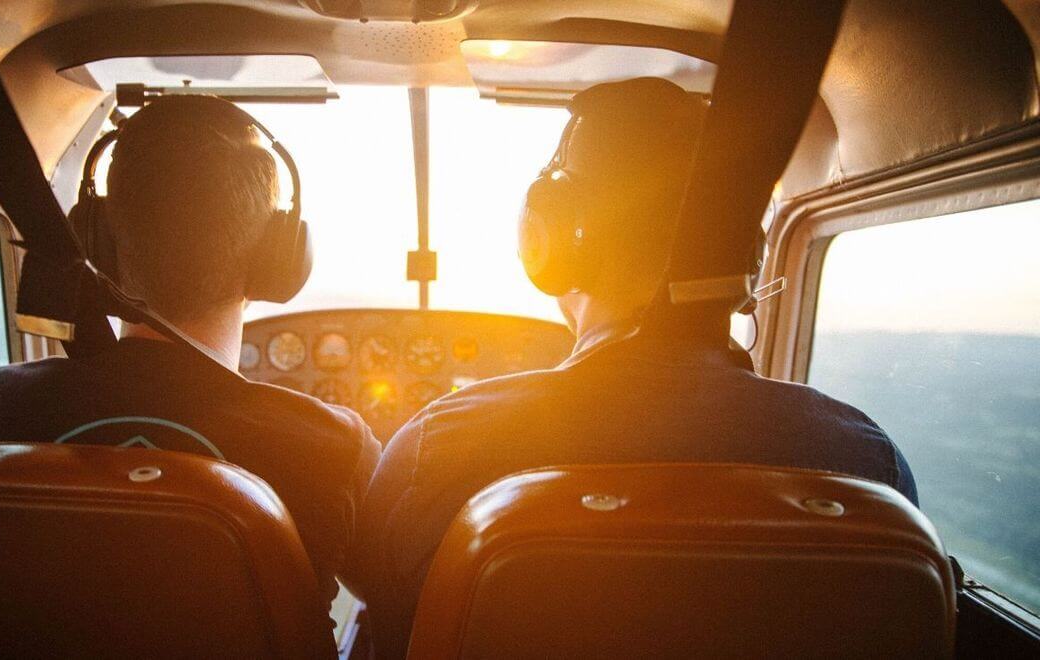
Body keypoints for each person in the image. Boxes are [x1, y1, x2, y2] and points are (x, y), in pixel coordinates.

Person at [349, 78, 917, 659]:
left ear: (548, 242)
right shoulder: (868, 467)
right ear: (749, 253)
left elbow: (387, 615)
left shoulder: (439, 449)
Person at [0, 95, 381, 617]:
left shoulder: (1, 408)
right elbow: (399, 598)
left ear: (99, 243)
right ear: (278, 260)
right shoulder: (330, 444)